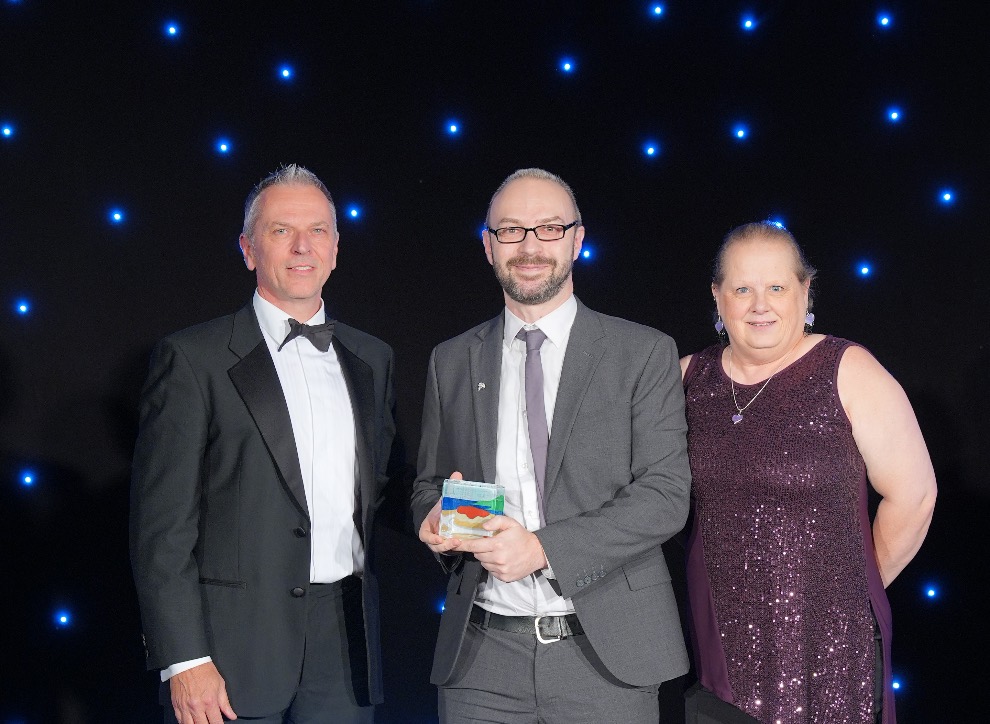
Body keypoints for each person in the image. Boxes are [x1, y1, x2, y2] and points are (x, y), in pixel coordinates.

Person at [412, 168, 692, 723]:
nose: (530, 246)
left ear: (577, 240)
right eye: (511, 230)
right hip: (481, 662)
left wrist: (542, 550)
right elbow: (429, 485)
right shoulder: (452, 359)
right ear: (489, 246)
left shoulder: (642, 352)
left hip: (607, 658)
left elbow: (665, 496)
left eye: (548, 228)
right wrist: (436, 517)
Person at [130, 164, 398, 724]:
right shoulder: (193, 358)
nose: (303, 246)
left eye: (318, 230)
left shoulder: (372, 358)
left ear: (336, 248)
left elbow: (378, 488)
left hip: (344, 641)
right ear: (249, 249)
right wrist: (185, 659)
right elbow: (161, 528)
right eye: (281, 230)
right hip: (229, 646)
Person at [679, 221, 937, 724]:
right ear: (717, 296)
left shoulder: (847, 369)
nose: (760, 305)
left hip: (831, 649)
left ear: (805, 290)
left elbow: (915, 496)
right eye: (742, 289)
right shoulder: (685, 378)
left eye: (777, 287)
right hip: (720, 649)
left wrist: (848, 592)